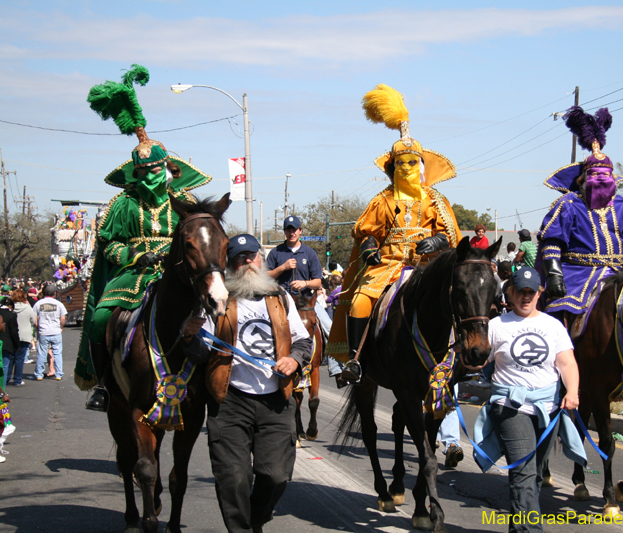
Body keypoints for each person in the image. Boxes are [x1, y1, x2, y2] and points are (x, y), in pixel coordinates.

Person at [76, 65, 212, 411]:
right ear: (134, 174)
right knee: (99, 319)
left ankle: (214, 380)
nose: (150, 176)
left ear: (167, 169)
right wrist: (137, 257)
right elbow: (110, 245)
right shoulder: (123, 204)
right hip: (134, 275)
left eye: (155, 169)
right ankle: (105, 385)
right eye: (143, 171)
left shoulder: (185, 203)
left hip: (178, 273)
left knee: (220, 315)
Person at [328, 85, 461, 383]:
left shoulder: (436, 201)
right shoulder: (382, 200)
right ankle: (356, 361)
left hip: (426, 267)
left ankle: (463, 357)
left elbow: (450, 235)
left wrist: (436, 240)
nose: (407, 168)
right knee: (361, 300)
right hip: (386, 266)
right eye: (401, 163)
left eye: (413, 162)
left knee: (458, 298)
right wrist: (368, 249)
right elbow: (367, 233)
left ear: (422, 166)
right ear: (392, 168)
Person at [182, 233, 312, 532]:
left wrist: (293, 360)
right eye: (239, 257)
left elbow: (303, 341)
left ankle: (255, 519)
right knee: (234, 479)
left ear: (260, 258)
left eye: (251, 255)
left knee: (276, 476)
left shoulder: (280, 297)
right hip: (230, 400)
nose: (247, 262)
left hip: (276, 400)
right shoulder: (216, 300)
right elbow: (200, 352)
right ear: (229, 264)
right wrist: (189, 336)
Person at [473, 267, 585, 533]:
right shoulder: (496, 326)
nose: (525, 297)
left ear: (539, 293)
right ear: (510, 293)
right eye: (520, 292)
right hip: (511, 408)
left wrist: (572, 392)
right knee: (523, 472)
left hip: (548, 409)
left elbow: (567, 363)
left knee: (534, 474)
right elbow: (476, 360)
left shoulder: (552, 325)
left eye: (530, 292)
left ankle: (519, 527)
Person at [537, 107, 623, 319]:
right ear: (583, 178)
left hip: (620, 273)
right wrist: (554, 274)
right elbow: (552, 242)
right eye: (595, 174)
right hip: (576, 274)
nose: (601, 179)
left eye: (605, 175)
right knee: (558, 313)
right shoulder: (569, 205)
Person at [32, 285, 67, 381]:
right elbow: (63, 318)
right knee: (57, 353)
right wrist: (61, 327)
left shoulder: (38, 304)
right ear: (55, 293)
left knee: (42, 353)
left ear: (44, 293)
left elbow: (35, 318)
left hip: (43, 331)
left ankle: (39, 374)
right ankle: (59, 374)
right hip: (55, 331)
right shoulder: (59, 304)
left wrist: (38, 327)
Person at [11, 290, 34, 386]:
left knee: (10, 358)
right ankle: (17, 380)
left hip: (12, 335)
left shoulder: (11, 308)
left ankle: (7, 377)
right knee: (20, 359)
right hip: (25, 335)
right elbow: (33, 320)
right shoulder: (28, 308)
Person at [0, 298, 19, 388]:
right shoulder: (12, 315)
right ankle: (2, 391)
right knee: (4, 367)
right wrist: (16, 345)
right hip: (7, 343)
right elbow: (14, 332)